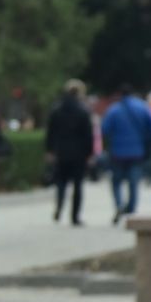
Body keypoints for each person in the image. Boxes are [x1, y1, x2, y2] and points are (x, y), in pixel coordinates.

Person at [100, 84, 151, 224]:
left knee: (116, 181)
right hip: (136, 151)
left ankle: (119, 205)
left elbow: (104, 129)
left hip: (117, 152)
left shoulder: (114, 110)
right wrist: (147, 138)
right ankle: (131, 210)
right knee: (133, 183)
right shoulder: (142, 107)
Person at [45, 78, 94, 226]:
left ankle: (59, 207)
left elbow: (50, 132)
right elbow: (88, 135)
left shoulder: (57, 109)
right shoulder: (83, 111)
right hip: (79, 153)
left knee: (61, 182)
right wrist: (89, 153)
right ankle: (75, 216)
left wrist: (50, 150)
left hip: (61, 151)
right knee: (77, 185)